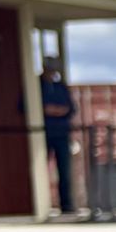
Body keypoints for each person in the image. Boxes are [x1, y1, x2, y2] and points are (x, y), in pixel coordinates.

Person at [38, 57, 76, 214]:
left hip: (61, 134)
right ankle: (42, 205)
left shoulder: (60, 87)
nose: (53, 72)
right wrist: (46, 110)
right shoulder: (36, 87)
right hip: (42, 134)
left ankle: (66, 205)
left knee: (64, 171)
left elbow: (71, 109)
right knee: (39, 170)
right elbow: (25, 107)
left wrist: (57, 110)